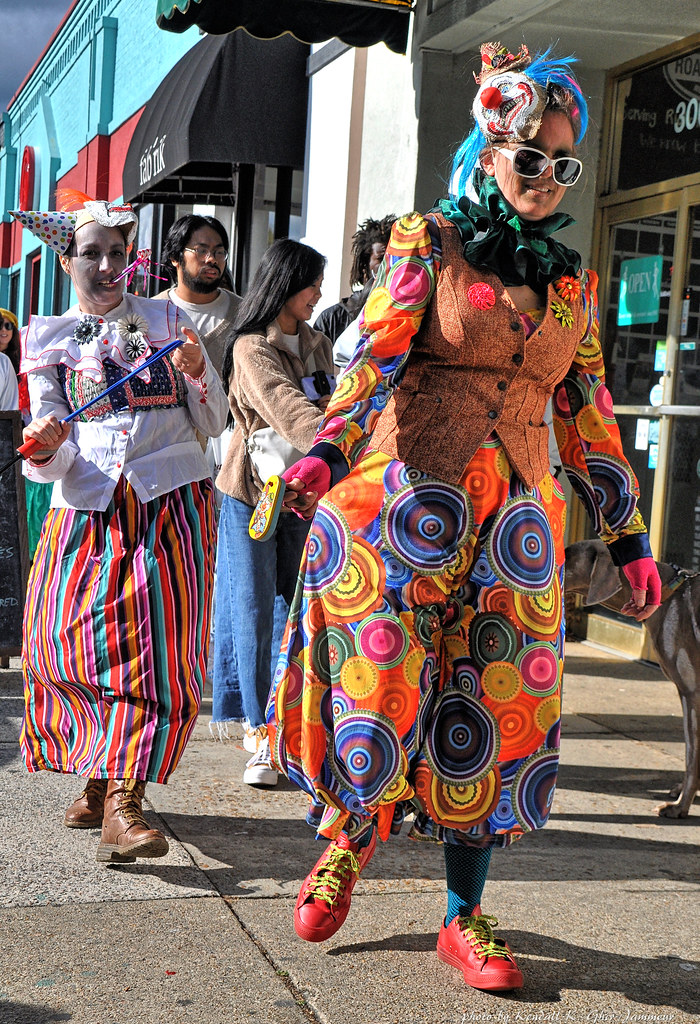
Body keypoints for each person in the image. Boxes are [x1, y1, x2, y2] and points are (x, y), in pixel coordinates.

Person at [266, 42, 662, 991]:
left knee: (496, 705)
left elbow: (588, 407)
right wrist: (326, 447)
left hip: (517, 521)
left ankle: (465, 916)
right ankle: (343, 848)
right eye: (529, 157)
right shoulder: (427, 241)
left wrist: (628, 534)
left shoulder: (571, 282)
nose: (544, 178)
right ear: (486, 153)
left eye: (562, 164)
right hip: (407, 500)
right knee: (383, 684)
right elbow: (378, 353)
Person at [11, 192, 228, 863]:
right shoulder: (56, 335)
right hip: (91, 510)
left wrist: (197, 374)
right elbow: (48, 436)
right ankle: (98, 775)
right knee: (69, 646)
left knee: (154, 650)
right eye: (93, 253)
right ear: (68, 259)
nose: (109, 265)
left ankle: (124, 807)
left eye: (118, 252)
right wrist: (45, 438)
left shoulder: (163, 321)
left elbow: (213, 421)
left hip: (169, 505)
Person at [214, 238, 334, 786]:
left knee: (303, 610)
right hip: (253, 494)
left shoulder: (319, 342)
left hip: (306, 493)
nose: (317, 294)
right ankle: (259, 733)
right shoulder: (250, 347)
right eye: (311, 283)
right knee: (255, 610)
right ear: (286, 284)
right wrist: (341, 453)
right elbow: (290, 411)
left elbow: (336, 404)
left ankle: (299, 728)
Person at [157, 213, 241, 380]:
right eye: (201, 251)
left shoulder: (244, 314)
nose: (212, 259)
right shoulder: (151, 312)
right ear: (175, 257)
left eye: (219, 252)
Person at [314, 215, 396, 361]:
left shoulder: (404, 315)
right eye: (381, 258)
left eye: (394, 258)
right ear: (365, 265)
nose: (389, 265)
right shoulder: (331, 319)